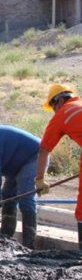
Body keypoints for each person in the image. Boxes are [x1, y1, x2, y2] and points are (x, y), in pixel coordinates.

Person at [34, 83, 82, 249]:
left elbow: (44, 150)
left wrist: (39, 180)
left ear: (60, 100)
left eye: (53, 106)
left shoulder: (62, 114)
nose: (54, 110)